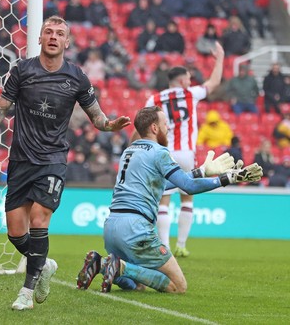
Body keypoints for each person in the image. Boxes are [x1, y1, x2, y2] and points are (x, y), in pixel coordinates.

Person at [0, 15, 130, 311]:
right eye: (48, 32)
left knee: (40, 219)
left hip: (52, 160)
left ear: (67, 42)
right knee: (16, 232)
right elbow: (1, 109)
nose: (53, 36)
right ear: (39, 38)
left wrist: (111, 125)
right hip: (20, 160)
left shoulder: (77, 77)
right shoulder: (22, 71)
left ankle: (26, 292)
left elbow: (97, 117)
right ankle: (43, 263)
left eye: (60, 33)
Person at [76, 106, 262, 293]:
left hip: (111, 228)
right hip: (136, 229)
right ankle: (120, 266)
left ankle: (100, 263)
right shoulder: (159, 152)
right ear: (154, 128)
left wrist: (202, 171)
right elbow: (188, 186)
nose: (168, 128)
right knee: (178, 286)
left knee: (138, 284)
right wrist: (228, 178)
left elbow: (161, 185)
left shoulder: (129, 151)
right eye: (165, 124)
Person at [135, 41, 225, 257]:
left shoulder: (154, 98)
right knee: (187, 197)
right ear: (183, 80)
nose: (190, 80)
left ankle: (164, 245)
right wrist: (220, 57)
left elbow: (141, 124)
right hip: (186, 153)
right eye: (188, 78)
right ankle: (182, 245)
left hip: (163, 153)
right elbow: (214, 83)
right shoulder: (190, 93)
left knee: (163, 200)